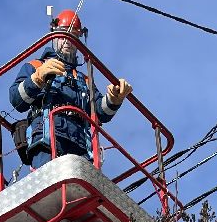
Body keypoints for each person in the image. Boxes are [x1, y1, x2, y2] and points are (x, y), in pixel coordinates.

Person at [9, 10, 133, 168]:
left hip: (80, 145)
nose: (68, 40)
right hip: (47, 140)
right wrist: (37, 79)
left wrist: (114, 98)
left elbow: (100, 113)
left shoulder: (83, 79)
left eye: (73, 35)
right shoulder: (35, 66)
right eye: (63, 34)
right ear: (54, 35)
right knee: (52, 184)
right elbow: (16, 99)